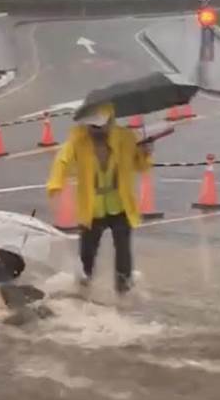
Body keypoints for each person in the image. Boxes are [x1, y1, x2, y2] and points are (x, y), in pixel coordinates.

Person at [46, 104, 152, 294]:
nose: (95, 130)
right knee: (87, 251)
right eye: (92, 126)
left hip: (120, 204)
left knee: (123, 249)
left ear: (110, 122)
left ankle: (123, 286)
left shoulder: (126, 138)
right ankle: (84, 284)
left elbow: (139, 165)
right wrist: (56, 183)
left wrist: (145, 153)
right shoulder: (78, 140)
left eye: (100, 125)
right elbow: (62, 160)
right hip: (92, 206)